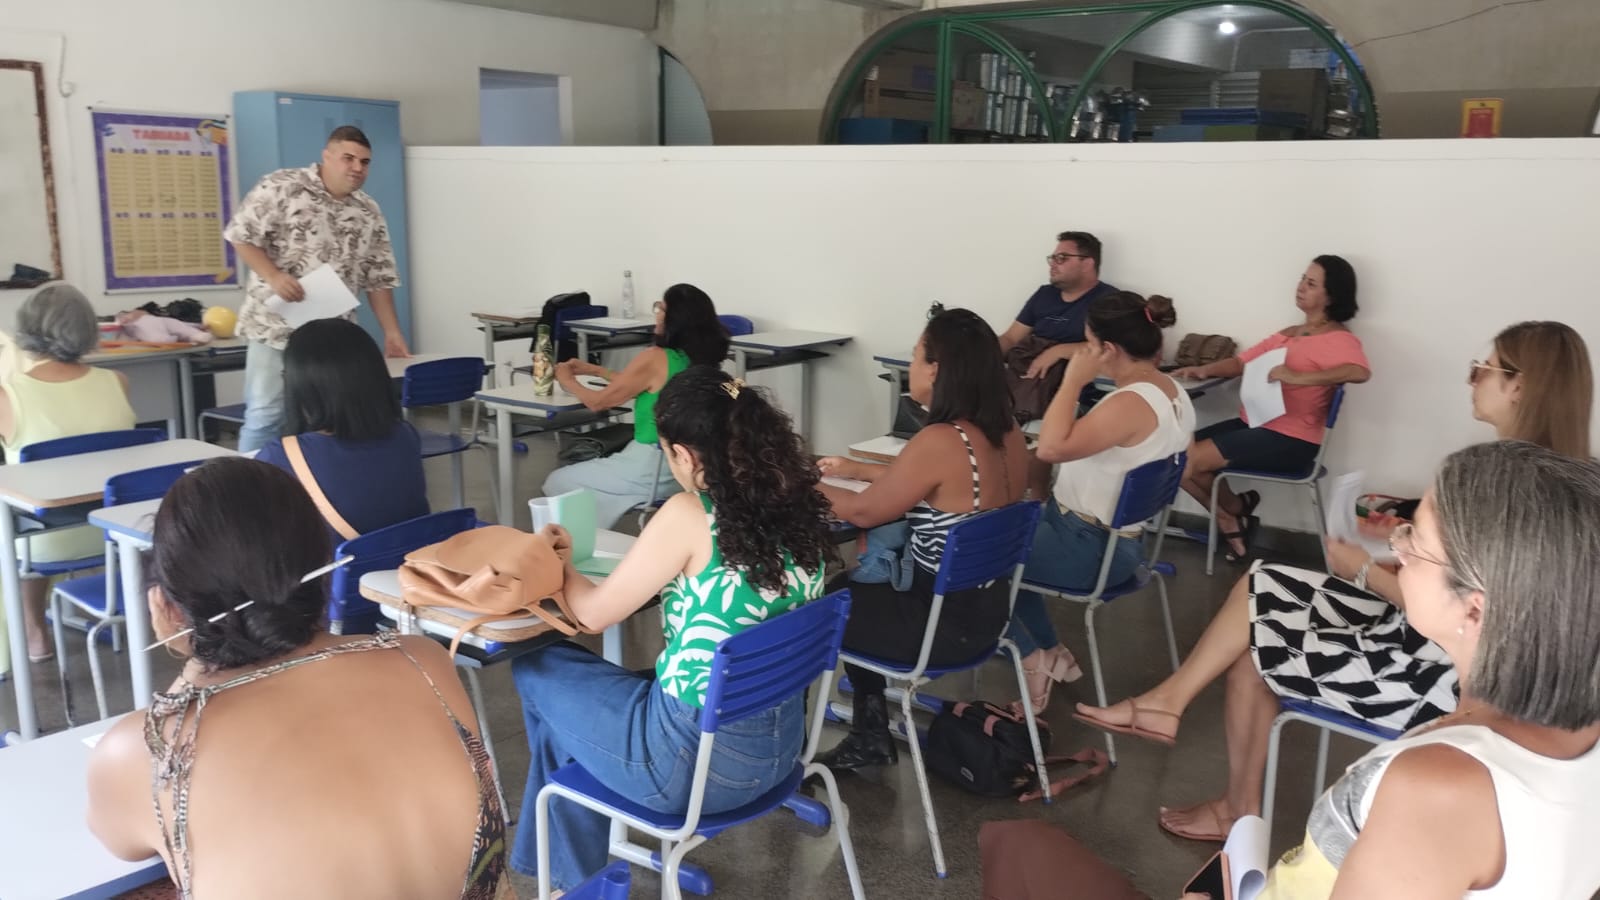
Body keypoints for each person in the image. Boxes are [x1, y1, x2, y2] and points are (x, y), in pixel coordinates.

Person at [1078, 321, 1593, 845]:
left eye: (1483, 369)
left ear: (1519, 386)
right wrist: (1404, 547)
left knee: (1255, 649)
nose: (1472, 380)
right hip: (1437, 643)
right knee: (1264, 581)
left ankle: (1216, 779)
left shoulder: (1506, 492)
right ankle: (1173, 712)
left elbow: (1473, 618)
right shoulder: (1555, 483)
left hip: (1432, 674)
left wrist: (1366, 568)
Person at [85, 458, 508, 899]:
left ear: (167, 605)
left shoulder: (144, 750)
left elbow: (118, 841)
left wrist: (193, 662)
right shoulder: (421, 659)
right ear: (321, 573)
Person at [1193, 442, 1600, 898]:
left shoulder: (1436, 789)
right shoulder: (1580, 739)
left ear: (1475, 610)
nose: (1397, 549)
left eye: (1414, 543)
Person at [509, 367, 832, 892]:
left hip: (690, 769)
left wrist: (557, 559)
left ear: (683, 454)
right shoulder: (798, 504)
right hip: (780, 751)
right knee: (570, 718)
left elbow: (591, 615)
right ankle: (571, 880)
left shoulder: (692, 513)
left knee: (539, 666)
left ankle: (575, 881)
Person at [815, 308, 1030, 771]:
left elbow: (861, 511)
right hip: (988, 615)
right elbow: (941, 486)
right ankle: (870, 728)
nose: (910, 365)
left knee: (834, 598)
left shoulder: (942, 439)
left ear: (936, 368)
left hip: (937, 626)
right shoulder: (1008, 432)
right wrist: (861, 470)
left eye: (915, 356)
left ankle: (867, 735)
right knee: (859, 591)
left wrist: (799, 481)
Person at [1004, 292, 1194, 715]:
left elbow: (1050, 448)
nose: (1084, 352)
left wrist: (1072, 381)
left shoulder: (1129, 403)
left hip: (1088, 548)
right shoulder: (1172, 392)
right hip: (1118, 542)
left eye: (1088, 345)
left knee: (976, 564)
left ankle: (1033, 659)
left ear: (1107, 349)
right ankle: (1052, 652)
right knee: (1004, 538)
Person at [1173, 256, 1371, 561]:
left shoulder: (1339, 339)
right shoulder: (1289, 333)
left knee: (1190, 460)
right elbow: (1241, 362)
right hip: (1255, 423)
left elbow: (1359, 371)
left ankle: (1232, 513)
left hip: (1293, 439)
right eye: (1302, 279)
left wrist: (1298, 377)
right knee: (1175, 455)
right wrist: (1203, 370)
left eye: (1311, 283)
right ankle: (1232, 512)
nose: (1301, 287)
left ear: (1331, 296)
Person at [224, 125, 408, 453]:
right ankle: (250, 481)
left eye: (365, 162)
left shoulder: (368, 210)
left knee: (329, 417)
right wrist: (274, 276)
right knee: (266, 414)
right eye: (348, 158)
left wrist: (392, 333)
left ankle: (313, 479)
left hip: (332, 335)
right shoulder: (282, 186)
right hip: (275, 327)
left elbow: (378, 277)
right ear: (327, 156)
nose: (357, 168)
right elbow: (241, 236)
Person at [0, 283, 135, 666]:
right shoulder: (117, 382)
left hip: (44, 542)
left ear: (27, 329)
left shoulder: (8, 396)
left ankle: (34, 632)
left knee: (23, 511)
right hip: (113, 532)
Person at [543, 283, 731, 528]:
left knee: (558, 481)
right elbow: (640, 383)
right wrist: (596, 370)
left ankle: (582, 540)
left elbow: (599, 402)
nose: (657, 314)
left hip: (650, 465)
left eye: (661, 308)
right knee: (598, 480)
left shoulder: (655, 357)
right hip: (690, 470)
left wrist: (567, 380)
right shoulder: (702, 361)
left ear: (675, 318)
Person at [254, 318, 428, 545]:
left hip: (331, 568)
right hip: (405, 563)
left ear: (299, 383)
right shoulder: (405, 435)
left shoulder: (280, 456)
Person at [998, 231, 1119, 424]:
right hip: (1025, 377)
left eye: (1061, 258)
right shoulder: (1044, 294)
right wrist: (979, 353)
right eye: (1052, 258)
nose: (1053, 264)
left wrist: (1059, 351)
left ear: (1087, 263)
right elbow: (1011, 338)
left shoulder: (1110, 300)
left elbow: (1112, 348)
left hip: (1071, 389)